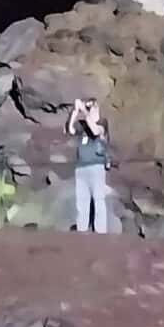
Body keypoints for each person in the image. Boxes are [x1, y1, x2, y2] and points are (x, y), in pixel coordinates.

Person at [67, 94, 116, 234]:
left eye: (90, 106)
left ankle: (100, 232)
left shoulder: (102, 123)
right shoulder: (82, 126)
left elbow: (95, 131)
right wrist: (75, 112)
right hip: (81, 167)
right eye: (87, 106)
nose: (87, 109)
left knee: (98, 199)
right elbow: (70, 130)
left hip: (96, 166)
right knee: (81, 202)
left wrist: (83, 109)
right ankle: (82, 231)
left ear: (96, 107)